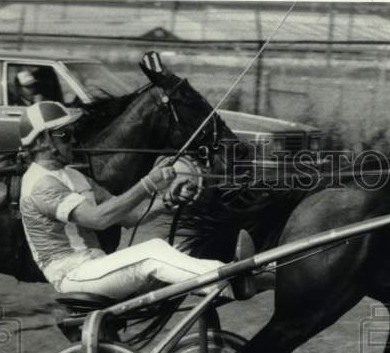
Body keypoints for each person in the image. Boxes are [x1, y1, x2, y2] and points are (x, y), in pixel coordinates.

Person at [17, 100, 254, 301]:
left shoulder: (74, 176)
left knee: (173, 253)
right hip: (73, 275)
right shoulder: (40, 184)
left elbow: (129, 217)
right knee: (153, 252)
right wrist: (148, 183)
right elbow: (98, 220)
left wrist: (168, 200)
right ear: (41, 142)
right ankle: (226, 279)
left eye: (73, 133)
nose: (74, 140)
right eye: (64, 134)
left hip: (95, 267)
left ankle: (251, 272)